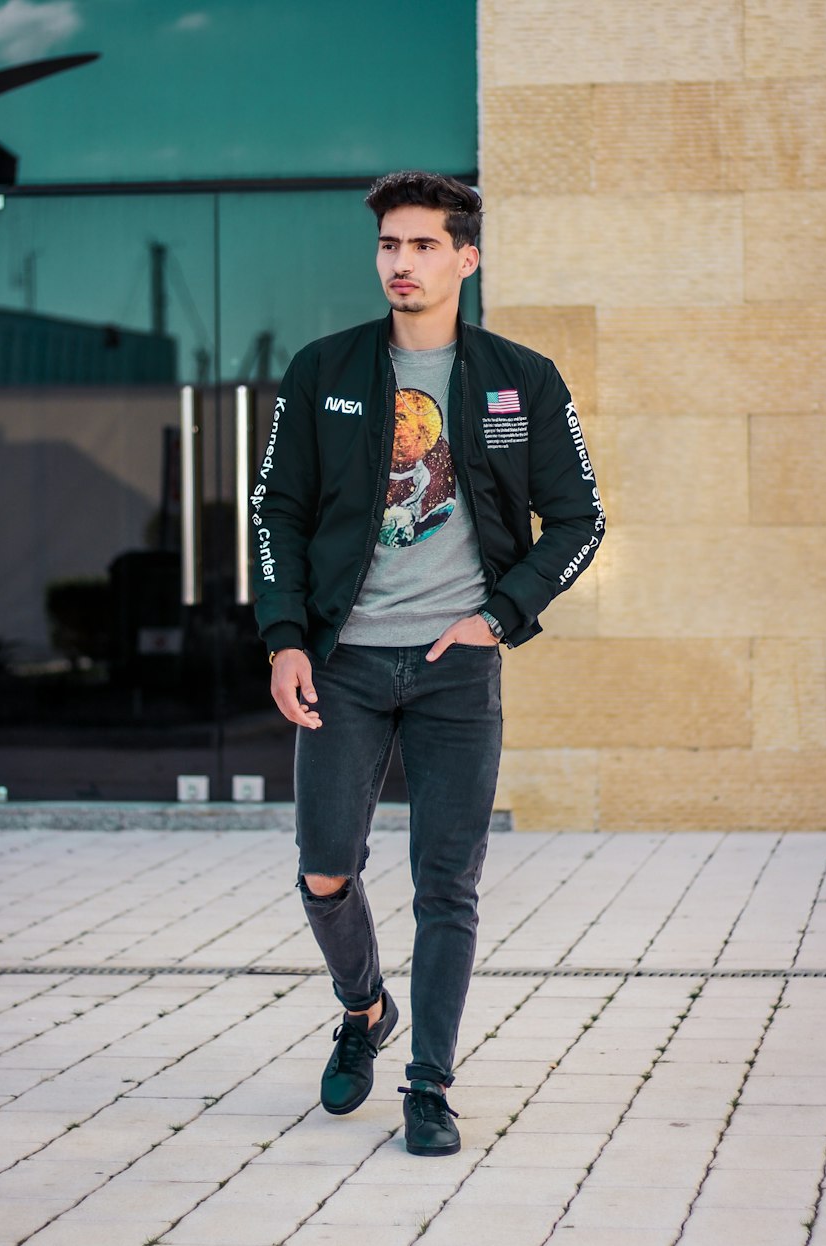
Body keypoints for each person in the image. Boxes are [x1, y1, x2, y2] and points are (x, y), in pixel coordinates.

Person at [251, 171, 604, 1156]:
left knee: (446, 885)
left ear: (464, 258)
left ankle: (428, 1086)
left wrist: (501, 614)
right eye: (387, 247)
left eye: (419, 246)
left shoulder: (517, 379)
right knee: (325, 869)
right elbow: (274, 506)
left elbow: (580, 518)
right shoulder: (325, 370)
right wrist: (283, 636)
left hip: (456, 669)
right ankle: (364, 1009)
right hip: (345, 663)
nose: (399, 263)